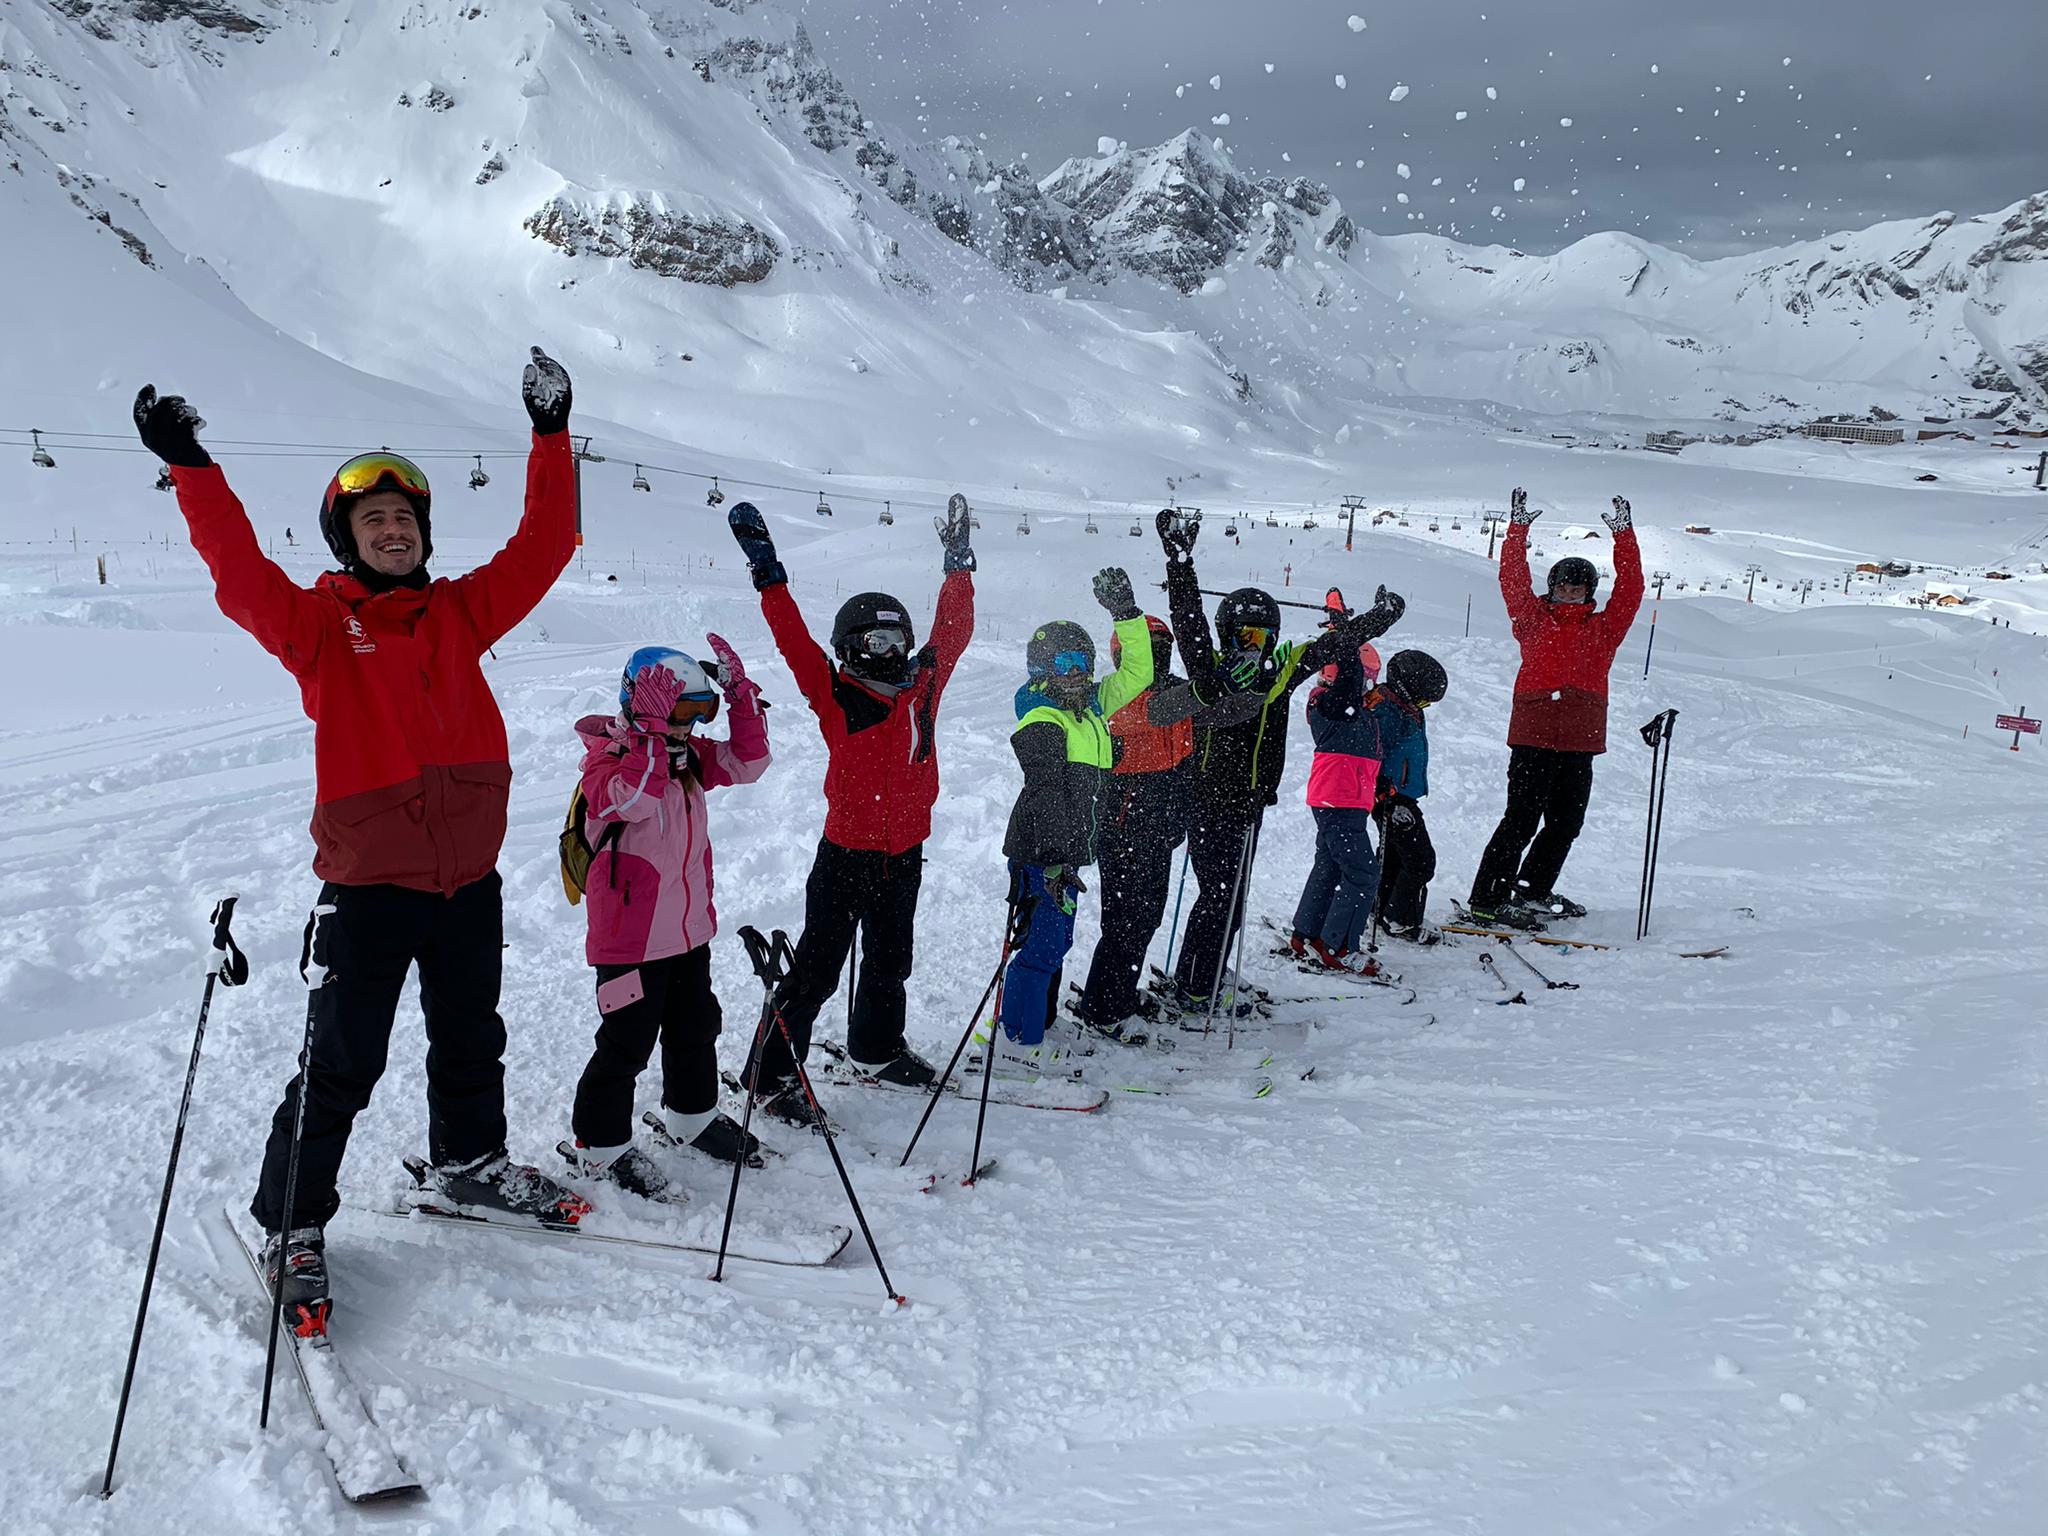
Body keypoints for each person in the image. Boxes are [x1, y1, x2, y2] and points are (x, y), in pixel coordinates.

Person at [133, 348, 583, 1335]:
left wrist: (550, 437)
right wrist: (192, 470)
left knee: (471, 1037)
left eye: (404, 518)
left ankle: (469, 1163)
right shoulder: (318, 628)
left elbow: (545, 547)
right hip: (371, 887)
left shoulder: (461, 611)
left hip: (465, 881)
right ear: (347, 538)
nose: (392, 530)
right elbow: (240, 575)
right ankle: (290, 1222)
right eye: (373, 519)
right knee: (342, 1065)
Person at [725, 494, 975, 1125]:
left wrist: (958, 568)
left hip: (904, 853)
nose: (890, 651)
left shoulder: (923, 688)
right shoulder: (833, 693)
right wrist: (768, 572)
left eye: (898, 639)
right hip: (846, 855)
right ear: (851, 646)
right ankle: (769, 1078)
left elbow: (953, 631)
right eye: (876, 640)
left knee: (891, 963)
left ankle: (876, 1049)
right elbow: (792, 641)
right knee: (816, 971)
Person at [1158, 508, 1405, 1013]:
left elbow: (1336, 643)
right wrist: (1180, 563)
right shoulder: (1211, 671)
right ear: (1227, 635)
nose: (1256, 647)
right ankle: (1199, 987)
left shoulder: (1281, 673)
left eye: (1264, 636)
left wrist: (1379, 619)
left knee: (1229, 899)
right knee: (1221, 898)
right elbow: (1188, 621)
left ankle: (1201, 973)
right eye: (1245, 636)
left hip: (1249, 804)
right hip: (1208, 802)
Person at [562, 636, 770, 1195]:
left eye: (700, 712)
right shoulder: (605, 762)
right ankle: (600, 1145)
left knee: (695, 1026)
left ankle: (692, 1114)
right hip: (630, 939)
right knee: (626, 1042)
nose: (689, 726)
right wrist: (651, 737)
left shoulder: (687, 758)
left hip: (687, 930)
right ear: (641, 706)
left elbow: (749, 763)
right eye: (679, 713)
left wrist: (741, 700)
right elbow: (633, 801)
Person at [979, 571, 1154, 1077]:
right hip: (1042, 855)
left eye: (1084, 663)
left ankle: (1028, 1021)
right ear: (1041, 671)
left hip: (1064, 857)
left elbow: (1138, 674)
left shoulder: (1090, 708)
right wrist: (1056, 861)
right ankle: (1017, 1040)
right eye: (1065, 665)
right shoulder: (1043, 718)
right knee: (1042, 946)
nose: (1078, 674)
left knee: (1055, 943)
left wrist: (1126, 615)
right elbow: (1046, 791)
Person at [1072, 617, 1259, 1038]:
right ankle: (1104, 1007)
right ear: (1122, 654)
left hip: (1160, 827)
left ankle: (1119, 994)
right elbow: (1158, 712)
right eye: (1148, 647)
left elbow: (1225, 712)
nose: (1157, 655)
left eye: (1163, 646)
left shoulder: (1175, 690)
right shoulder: (1113, 696)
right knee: (1127, 921)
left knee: (1147, 917)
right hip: (1125, 827)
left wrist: (1254, 684)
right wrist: (1208, 688)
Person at [1468, 489, 1642, 927]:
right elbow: (1511, 579)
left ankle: (1532, 891)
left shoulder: (1605, 628)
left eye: (1577, 588)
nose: (1569, 593)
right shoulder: (1532, 619)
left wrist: (1624, 536)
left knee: (1566, 823)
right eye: (1563, 586)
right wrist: (1517, 530)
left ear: (1589, 592)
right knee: (1521, 820)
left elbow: (1632, 590)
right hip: (1533, 735)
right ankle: (1487, 899)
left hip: (1581, 740)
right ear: (1552, 587)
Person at [1287, 634, 1384, 970]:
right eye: (1365, 679)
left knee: (1329, 865)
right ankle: (1339, 946)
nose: (1369, 687)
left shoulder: (1355, 710)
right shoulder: (1332, 705)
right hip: (1340, 802)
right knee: (1363, 873)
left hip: (1344, 801)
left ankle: (1307, 933)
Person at [1369, 650, 1449, 944]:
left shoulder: (1404, 707)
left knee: (1393, 856)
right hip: (1391, 798)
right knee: (1420, 861)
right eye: (1423, 701)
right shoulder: (1388, 712)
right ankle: (1401, 918)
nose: (1422, 707)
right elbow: (1373, 752)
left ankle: (1382, 909)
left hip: (1401, 796)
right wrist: (1381, 787)